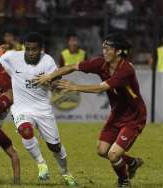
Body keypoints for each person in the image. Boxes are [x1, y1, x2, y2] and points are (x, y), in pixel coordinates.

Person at [33, 33, 145, 188]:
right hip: (117, 113)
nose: (104, 51)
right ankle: (132, 162)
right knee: (102, 150)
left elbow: (101, 88)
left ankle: (124, 181)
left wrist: (74, 87)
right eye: (103, 48)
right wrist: (50, 76)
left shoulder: (126, 69)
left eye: (108, 48)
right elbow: (72, 67)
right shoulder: (101, 63)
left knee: (113, 155)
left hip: (134, 117)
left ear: (119, 51)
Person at [0, 32, 78, 186]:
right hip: (21, 107)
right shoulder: (14, 56)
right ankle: (41, 164)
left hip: (42, 109)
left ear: (42, 49)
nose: (31, 52)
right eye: (28, 49)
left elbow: (57, 85)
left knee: (54, 146)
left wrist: (49, 83)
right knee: (25, 131)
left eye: (34, 49)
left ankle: (66, 173)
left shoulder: (48, 62)